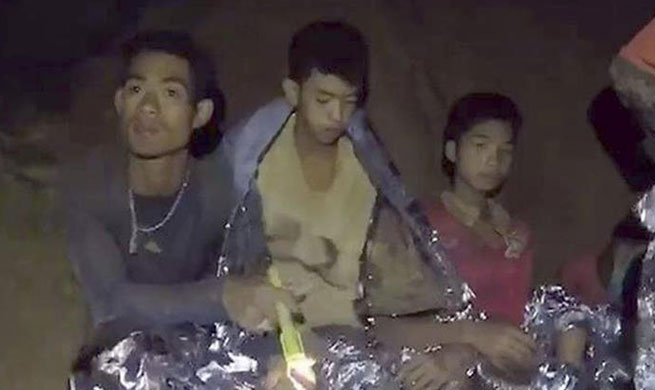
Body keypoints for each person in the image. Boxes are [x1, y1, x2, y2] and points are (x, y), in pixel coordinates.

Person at [217, 21, 470, 390]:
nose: (337, 115)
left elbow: (402, 280)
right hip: (267, 336)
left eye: (349, 102)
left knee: (451, 380)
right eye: (323, 100)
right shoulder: (251, 158)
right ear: (292, 91)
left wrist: (454, 345)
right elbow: (218, 266)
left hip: (353, 339)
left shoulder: (369, 167)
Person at [65, 31, 295, 369]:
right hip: (124, 349)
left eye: (170, 93)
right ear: (119, 102)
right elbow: (111, 301)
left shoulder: (218, 186)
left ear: (200, 114)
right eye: (136, 90)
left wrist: (279, 349)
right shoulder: (92, 186)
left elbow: (254, 269)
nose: (147, 108)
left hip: (203, 342)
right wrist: (222, 296)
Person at [413, 93, 586, 382]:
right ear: (453, 151)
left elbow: (528, 304)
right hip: (454, 350)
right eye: (480, 146)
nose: (493, 160)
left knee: (573, 316)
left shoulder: (517, 231)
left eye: (505, 151)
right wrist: (469, 342)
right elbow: (400, 314)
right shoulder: (424, 223)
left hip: (513, 351)